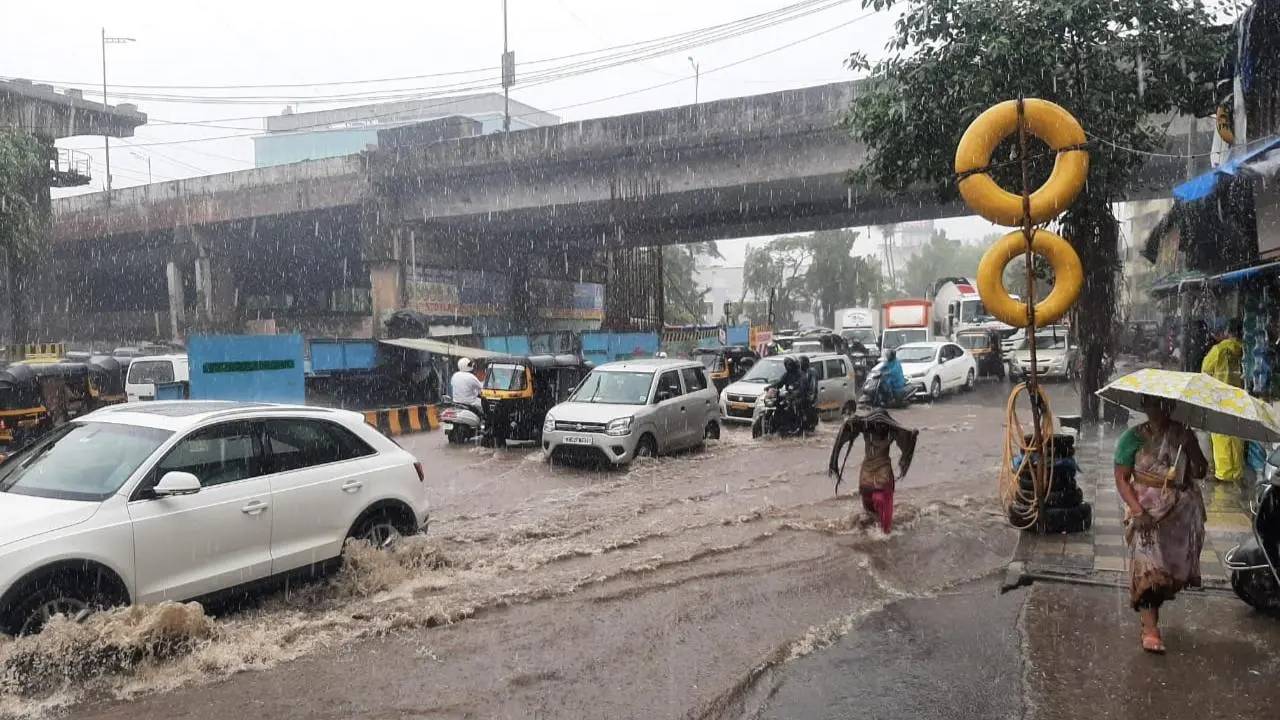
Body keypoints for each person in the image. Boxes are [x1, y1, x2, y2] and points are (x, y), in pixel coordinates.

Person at [1113, 394, 1209, 654]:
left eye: (1163, 404)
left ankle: (1154, 614)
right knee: (1148, 569)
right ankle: (1150, 628)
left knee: (1169, 570)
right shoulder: (1131, 438)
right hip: (1144, 510)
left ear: (1172, 407)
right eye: (1152, 404)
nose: (1158, 409)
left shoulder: (1183, 435)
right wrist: (1137, 510)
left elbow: (1201, 471)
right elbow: (1121, 478)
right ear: (1144, 406)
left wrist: (1191, 447)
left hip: (1178, 513)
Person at [828, 409, 919, 534]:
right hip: (870, 472)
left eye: (881, 424)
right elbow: (849, 427)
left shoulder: (887, 431)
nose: (878, 426)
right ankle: (880, 532)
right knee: (871, 503)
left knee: (878, 500)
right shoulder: (868, 428)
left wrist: (912, 435)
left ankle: (880, 533)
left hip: (880, 471)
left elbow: (906, 436)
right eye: (876, 424)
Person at [1200, 320, 1245, 483]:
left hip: (1220, 398)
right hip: (1239, 399)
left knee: (1220, 436)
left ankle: (1224, 473)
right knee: (1237, 435)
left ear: (1227, 331)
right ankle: (1237, 471)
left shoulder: (1218, 350)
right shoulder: (1243, 350)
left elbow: (1205, 371)